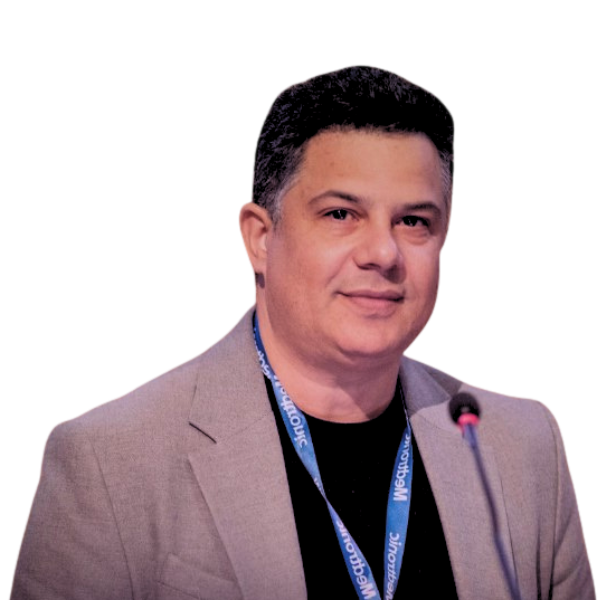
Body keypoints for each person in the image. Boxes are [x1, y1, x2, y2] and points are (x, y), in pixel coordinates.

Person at [10, 65, 595, 600]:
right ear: (260, 238)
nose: (383, 252)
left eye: (414, 221)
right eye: (341, 214)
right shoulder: (111, 462)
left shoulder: (522, 446)